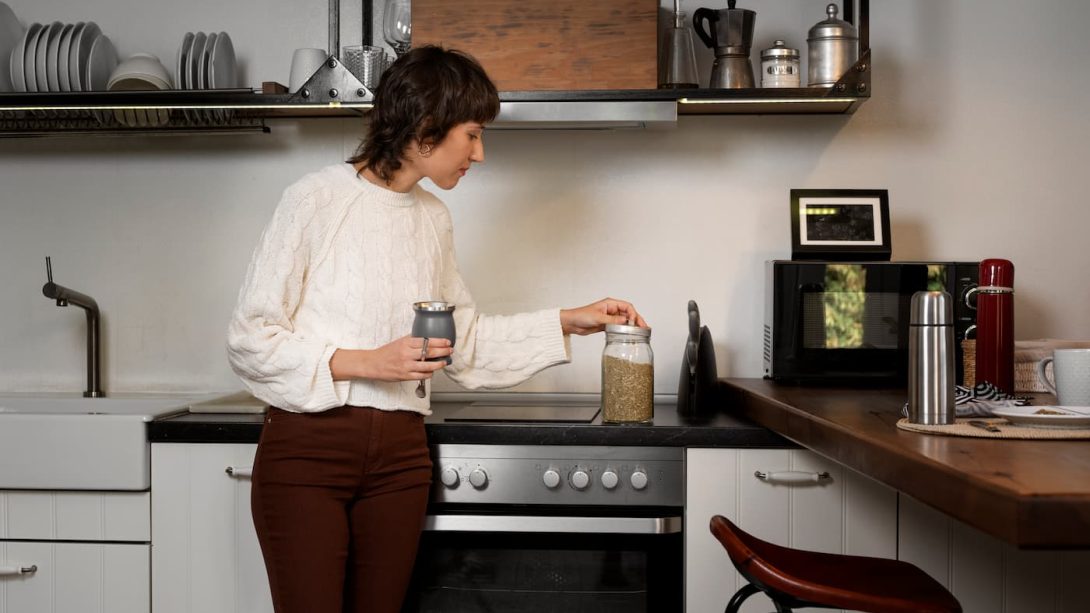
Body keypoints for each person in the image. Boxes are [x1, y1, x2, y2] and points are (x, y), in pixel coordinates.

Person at [225, 45, 647, 613]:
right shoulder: (314, 200)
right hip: (308, 454)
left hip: (401, 460)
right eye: (472, 134)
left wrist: (572, 320)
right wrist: (368, 361)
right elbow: (251, 339)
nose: (480, 153)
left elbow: (463, 347)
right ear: (427, 128)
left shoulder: (432, 219)